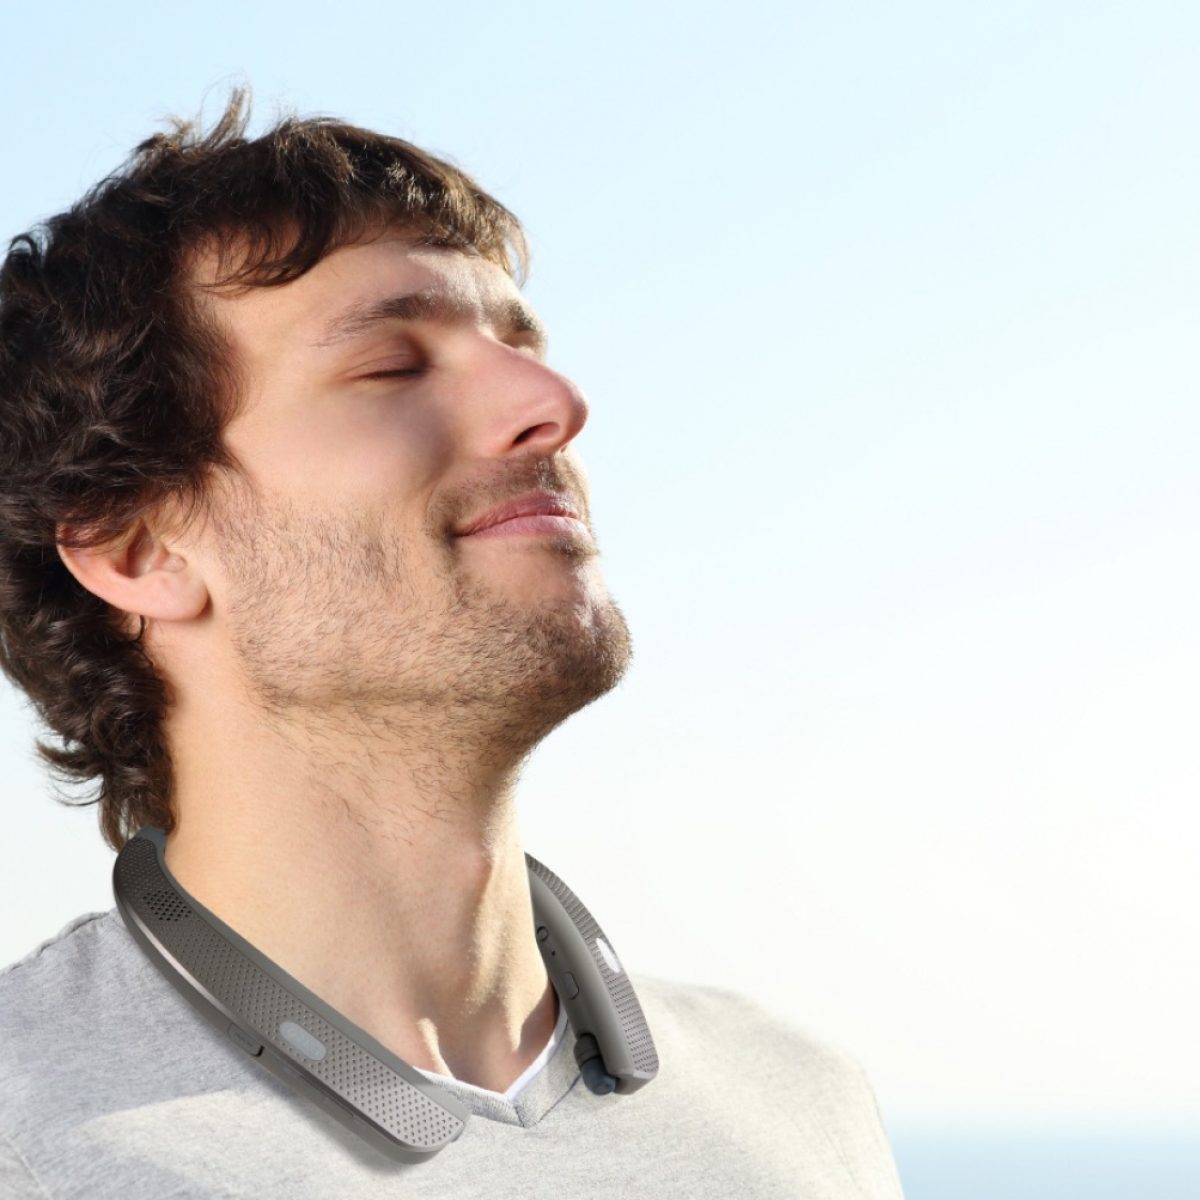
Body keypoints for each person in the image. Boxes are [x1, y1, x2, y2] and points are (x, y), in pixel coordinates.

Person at [0, 92, 905, 1197]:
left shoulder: (804, 1105)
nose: (554, 400)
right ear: (137, 550)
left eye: (523, 346)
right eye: (393, 365)